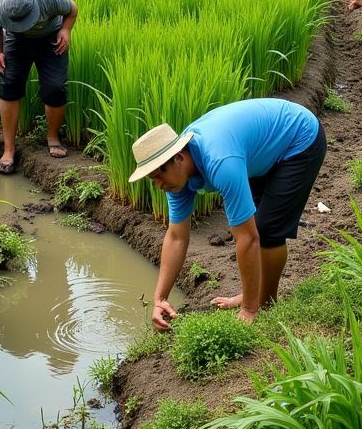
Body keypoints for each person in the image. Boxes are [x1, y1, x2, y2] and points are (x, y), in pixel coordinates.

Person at [129, 99, 326, 331]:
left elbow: (248, 238)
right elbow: (176, 236)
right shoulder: (176, 178)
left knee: (268, 230)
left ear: (179, 159)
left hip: (299, 138)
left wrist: (249, 310)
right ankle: (256, 297)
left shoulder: (221, 162)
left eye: (158, 177)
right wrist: (159, 298)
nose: (158, 185)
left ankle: (265, 304)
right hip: (258, 149)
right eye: (153, 180)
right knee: (258, 226)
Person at [0, 0, 78, 173]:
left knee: (55, 87)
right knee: (9, 84)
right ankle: (8, 149)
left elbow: (73, 9)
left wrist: (65, 30)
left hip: (51, 37)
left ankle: (53, 138)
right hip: (16, 41)